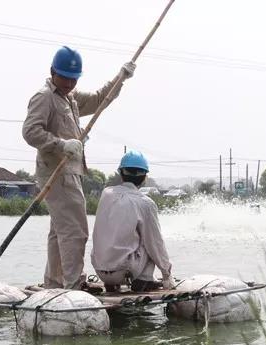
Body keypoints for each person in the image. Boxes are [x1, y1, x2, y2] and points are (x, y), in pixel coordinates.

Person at [23, 46, 136, 290]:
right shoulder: (45, 97)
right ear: (52, 72)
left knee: (59, 232)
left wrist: (120, 78)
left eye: (73, 79)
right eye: (64, 77)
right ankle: (74, 284)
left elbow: (98, 100)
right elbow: (30, 132)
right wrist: (61, 144)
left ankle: (54, 282)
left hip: (70, 172)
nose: (69, 83)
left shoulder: (70, 99)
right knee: (75, 231)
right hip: (57, 173)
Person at [91, 151, 175, 293]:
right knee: (150, 239)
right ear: (144, 177)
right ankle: (144, 280)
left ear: (121, 174)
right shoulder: (145, 203)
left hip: (100, 270)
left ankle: (112, 284)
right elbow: (155, 243)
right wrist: (167, 274)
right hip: (126, 272)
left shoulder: (106, 194)